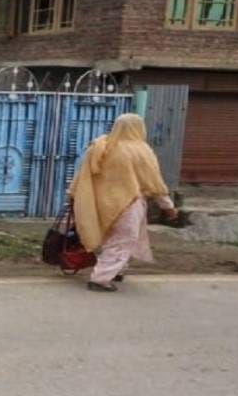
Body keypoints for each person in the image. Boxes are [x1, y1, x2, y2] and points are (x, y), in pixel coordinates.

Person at [69, 113, 179, 293]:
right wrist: (168, 207)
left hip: (101, 204)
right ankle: (101, 278)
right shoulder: (140, 150)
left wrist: (72, 195)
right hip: (127, 204)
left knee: (113, 239)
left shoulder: (101, 146)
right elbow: (154, 183)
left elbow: (83, 176)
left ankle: (116, 270)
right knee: (123, 240)